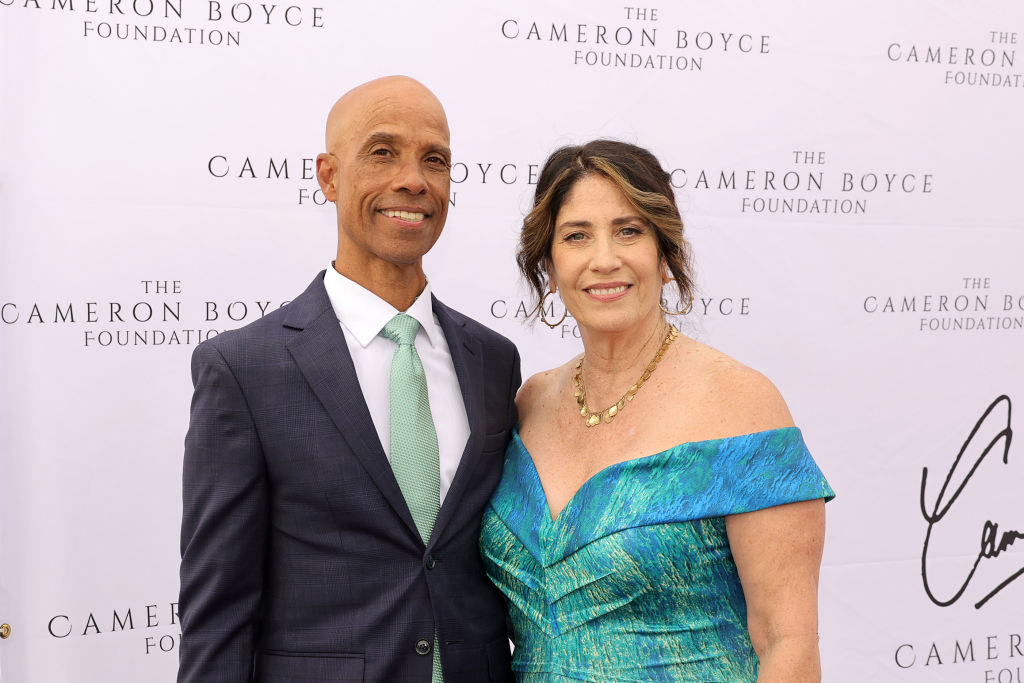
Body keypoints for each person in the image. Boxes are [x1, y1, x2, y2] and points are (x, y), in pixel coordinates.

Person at [178, 76, 520, 683]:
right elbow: (219, 611)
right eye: (382, 151)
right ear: (329, 177)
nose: (413, 179)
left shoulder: (493, 361)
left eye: (434, 160)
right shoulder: (246, 368)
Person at [479, 140, 834, 682]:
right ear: (550, 266)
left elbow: (789, 645)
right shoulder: (532, 400)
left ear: (666, 256)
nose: (604, 258)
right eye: (577, 236)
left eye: (629, 231)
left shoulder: (742, 405)